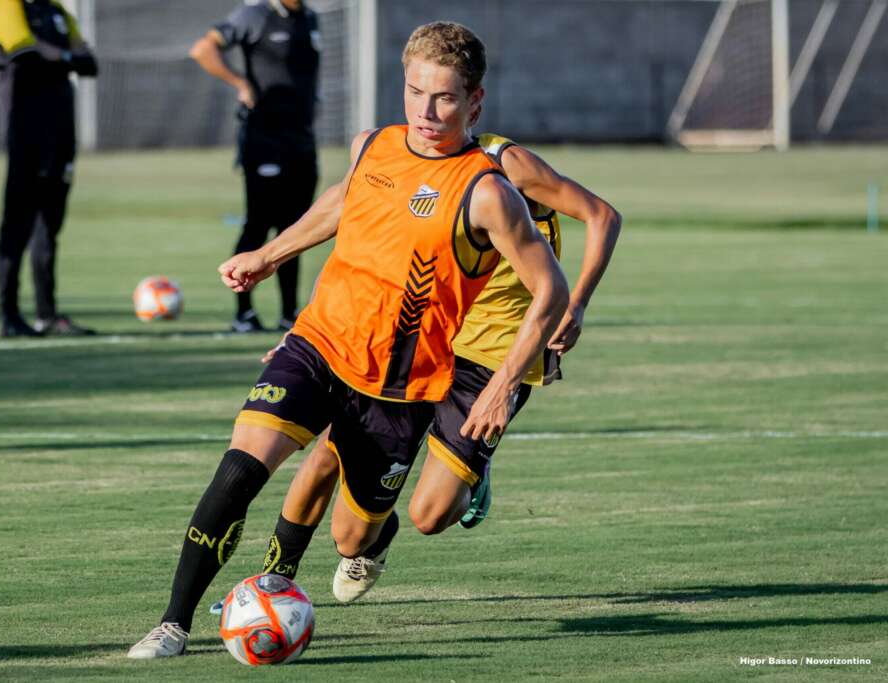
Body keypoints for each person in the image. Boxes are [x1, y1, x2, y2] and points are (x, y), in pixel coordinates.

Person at [127, 21, 569, 658]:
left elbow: (549, 290)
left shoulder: (490, 192)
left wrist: (501, 388)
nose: (425, 110)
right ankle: (173, 622)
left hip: (401, 386)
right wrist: (271, 254)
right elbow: (343, 201)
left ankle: (372, 541)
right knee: (240, 469)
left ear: (474, 102)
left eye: (444, 97)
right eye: (415, 92)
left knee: (352, 538)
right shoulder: (375, 146)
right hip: (320, 344)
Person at [245, 131, 622, 604]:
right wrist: (311, 329)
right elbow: (361, 256)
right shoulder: (406, 166)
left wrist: (578, 303)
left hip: (493, 354)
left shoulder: (507, 166)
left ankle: (472, 477)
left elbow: (603, 216)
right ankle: (272, 582)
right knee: (333, 472)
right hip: (422, 339)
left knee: (431, 515)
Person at [190, 0, 320, 333]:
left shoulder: (309, 18)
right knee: (259, 224)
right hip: (265, 140)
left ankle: (289, 313)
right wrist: (241, 85)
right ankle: (243, 313)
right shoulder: (256, 15)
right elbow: (203, 49)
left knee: (297, 228)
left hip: (301, 141)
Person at [0, 0, 97, 338]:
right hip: (27, 134)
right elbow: (26, 54)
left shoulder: (57, 12)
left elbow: (89, 63)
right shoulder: (7, 6)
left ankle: (46, 314)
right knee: (17, 225)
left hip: (61, 135)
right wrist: (66, 57)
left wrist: (60, 55)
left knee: (49, 227)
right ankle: (9, 315)